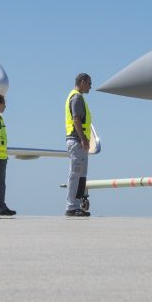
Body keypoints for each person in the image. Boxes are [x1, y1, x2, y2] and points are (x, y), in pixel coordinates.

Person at [63, 73, 95, 216]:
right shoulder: (76, 98)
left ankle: (76, 205)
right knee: (75, 174)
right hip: (76, 141)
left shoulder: (78, 97)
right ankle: (71, 206)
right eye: (89, 83)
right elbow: (76, 119)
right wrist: (83, 139)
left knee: (81, 175)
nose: (90, 87)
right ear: (82, 82)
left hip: (79, 141)